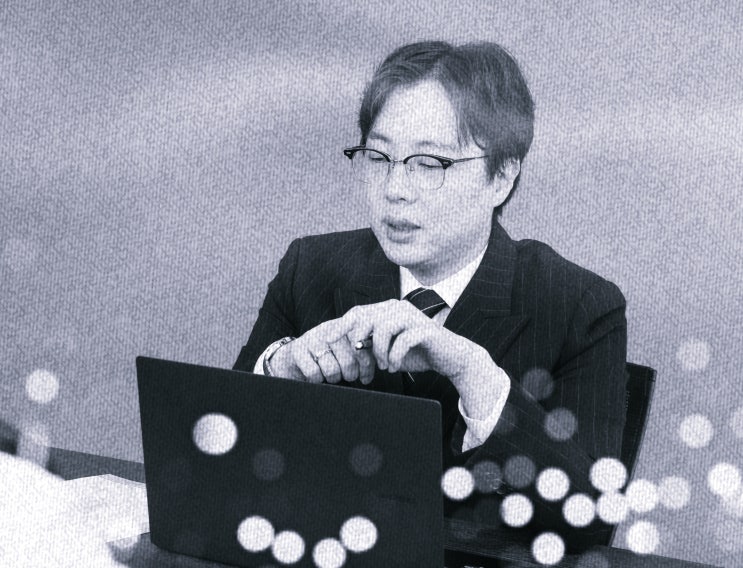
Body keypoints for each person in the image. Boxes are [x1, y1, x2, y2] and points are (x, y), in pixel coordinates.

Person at [233, 41, 627, 554]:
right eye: (379, 157)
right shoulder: (311, 268)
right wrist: (281, 369)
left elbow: (589, 521)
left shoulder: (578, 307)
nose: (395, 188)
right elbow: (219, 456)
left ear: (501, 176)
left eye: (429, 163)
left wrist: (472, 371)